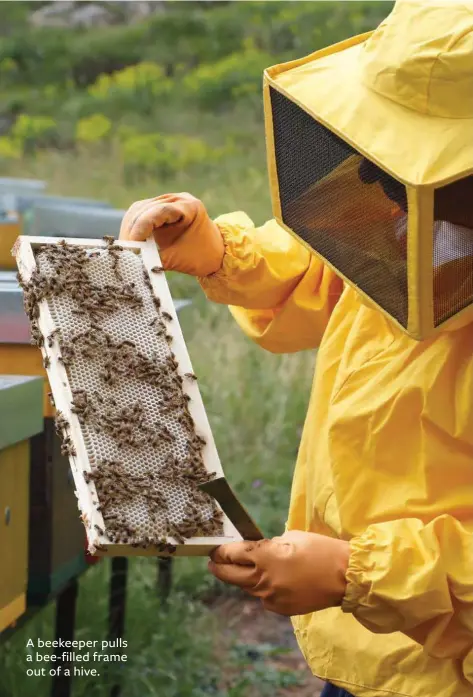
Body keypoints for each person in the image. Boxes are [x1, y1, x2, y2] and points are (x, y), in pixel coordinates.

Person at [120, 1, 473, 695]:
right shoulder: (407, 212)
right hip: (365, 637)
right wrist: (219, 251)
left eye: (403, 164)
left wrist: (356, 570)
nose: (375, 182)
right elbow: (332, 264)